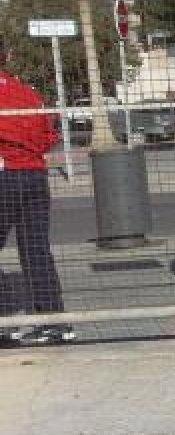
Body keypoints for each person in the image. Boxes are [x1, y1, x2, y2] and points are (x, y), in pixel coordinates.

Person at [0, 52, 72, 345]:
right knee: (36, 251)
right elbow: (48, 137)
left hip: (4, 174)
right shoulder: (27, 92)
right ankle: (55, 322)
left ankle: (4, 322)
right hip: (34, 175)